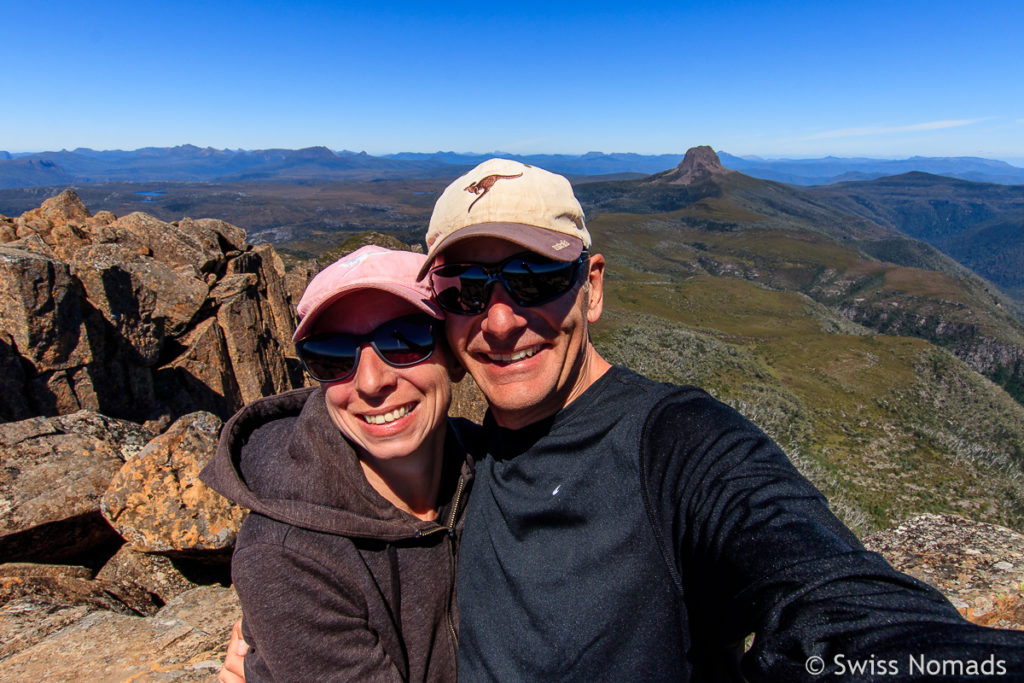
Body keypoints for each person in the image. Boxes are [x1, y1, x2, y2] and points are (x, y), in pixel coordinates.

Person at [223, 159, 1024, 681]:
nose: (500, 321)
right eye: (469, 291)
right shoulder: (465, 458)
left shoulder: (674, 442)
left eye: (536, 278)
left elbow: (835, 593)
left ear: (593, 286)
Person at [201, 245, 479, 682]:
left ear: (455, 356)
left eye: (404, 341)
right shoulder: (287, 553)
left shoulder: (500, 469)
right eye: (332, 355)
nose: (370, 382)